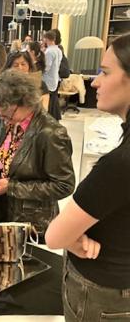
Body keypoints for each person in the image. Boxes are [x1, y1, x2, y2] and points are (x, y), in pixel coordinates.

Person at [45, 34, 130, 321]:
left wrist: (72, 239)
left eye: (105, 72)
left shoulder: (119, 164)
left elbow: (55, 236)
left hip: (104, 292)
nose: (94, 82)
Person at [0, 70, 75, 241]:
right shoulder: (9, 122)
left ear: (26, 101)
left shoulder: (51, 133)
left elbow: (64, 185)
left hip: (33, 226)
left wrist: (11, 187)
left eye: (7, 114)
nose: (3, 119)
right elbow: (6, 158)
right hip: (5, 216)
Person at [42, 30, 63, 120]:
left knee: (48, 103)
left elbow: (46, 67)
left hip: (48, 80)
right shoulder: (58, 50)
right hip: (55, 78)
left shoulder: (49, 52)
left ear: (46, 39)